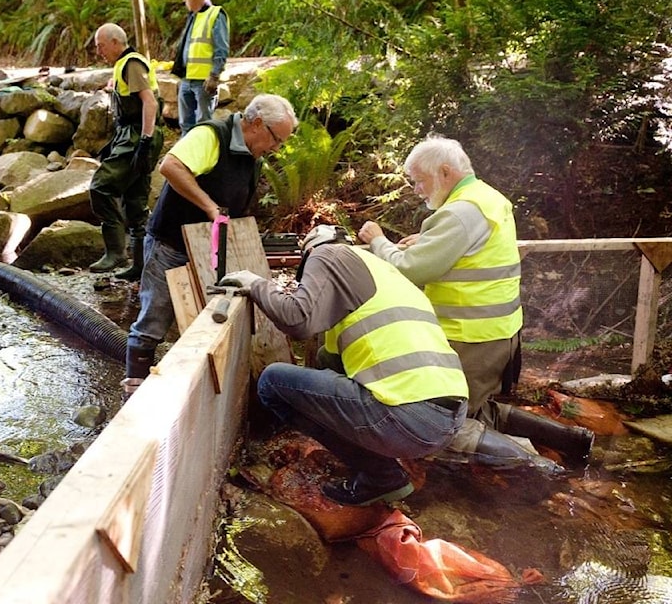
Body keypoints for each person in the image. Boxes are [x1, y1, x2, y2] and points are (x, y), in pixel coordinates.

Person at [358, 136, 594, 465]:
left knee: (444, 420)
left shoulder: (458, 214)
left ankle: (541, 471)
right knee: (479, 409)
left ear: (445, 172)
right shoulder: (486, 198)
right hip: (499, 333)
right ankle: (572, 440)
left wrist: (379, 241)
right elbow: (473, 251)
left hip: (471, 337)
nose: (416, 189)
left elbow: (410, 270)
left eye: (419, 181)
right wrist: (429, 241)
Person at [217, 225, 469, 506]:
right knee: (324, 362)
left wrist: (256, 284)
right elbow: (329, 362)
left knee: (272, 382)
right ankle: (382, 468)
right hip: (449, 420)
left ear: (311, 251)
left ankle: (381, 475)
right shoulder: (384, 273)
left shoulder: (327, 253)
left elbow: (297, 320)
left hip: (408, 418)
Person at [121, 93, 297, 395]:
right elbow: (170, 166)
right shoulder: (211, 135)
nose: (276, 148)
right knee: (153, 322)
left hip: (211, 251)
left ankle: (193, 390)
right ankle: (133, 392)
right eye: (275, 139)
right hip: (171, 244)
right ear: (255, 124)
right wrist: (210, 207)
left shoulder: (251, 156)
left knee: (210, 323)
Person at [88, 23, 164, 280]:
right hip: (130, 134)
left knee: (100, 186)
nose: (98, 51)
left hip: (138, 135)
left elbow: (149, 103)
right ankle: (140, 266)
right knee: (135, 201)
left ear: (115, 42)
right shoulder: (123, 65)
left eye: (100, 46)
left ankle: (116, 251)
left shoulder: (132, 63)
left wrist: (144, 141)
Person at [173, 0, 229, 136]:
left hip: (204, 82)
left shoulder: (215, 15)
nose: (184, 0)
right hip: (187, 79)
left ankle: (201, 159)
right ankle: (185, 158)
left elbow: (221, 49)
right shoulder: (194, 17)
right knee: (185, 124)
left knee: (204, 124)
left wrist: (214, 75)